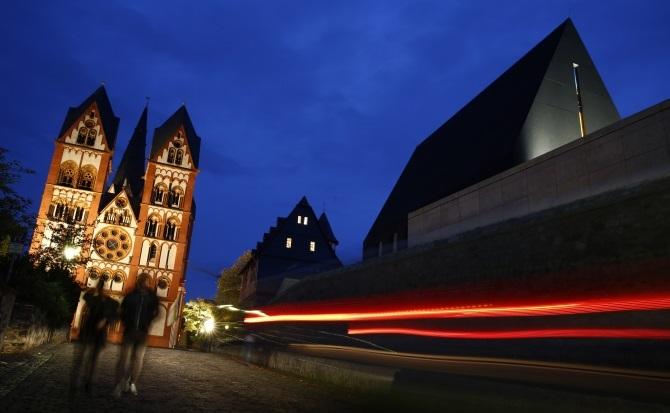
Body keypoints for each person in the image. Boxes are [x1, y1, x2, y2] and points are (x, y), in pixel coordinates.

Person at [113, 273, 159, 398]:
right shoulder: (131, 296)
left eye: (147, 281)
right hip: (129, 330)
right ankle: (118, 384)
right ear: (139, 282)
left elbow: (156, 311)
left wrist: (148, 321)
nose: (145, 283)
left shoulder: (152, 298)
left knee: (138, 359)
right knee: (124, 359)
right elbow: (122, 310)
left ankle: (132, 382)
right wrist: (125, 321)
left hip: (142, 332)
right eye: (143, 281)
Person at [70, 279, 119, 395]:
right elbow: (86, 295)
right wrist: (94, 289)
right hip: (88, 331)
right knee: (80, 358)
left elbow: (115, 316)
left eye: (102, 286)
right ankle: (75, 382)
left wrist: (106, 320)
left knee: (92, 360)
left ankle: (88, 383)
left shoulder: (112, 302)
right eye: (100, 286)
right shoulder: (93, 298)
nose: (102, 288)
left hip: (99, 334)